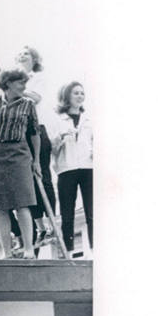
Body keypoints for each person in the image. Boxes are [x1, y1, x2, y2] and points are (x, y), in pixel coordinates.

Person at [0, 69, 41, 259]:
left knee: (22, 203)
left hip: (19, 152)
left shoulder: (28, 105)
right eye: (20, 83)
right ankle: (6, 252)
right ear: (8, 83)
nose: (24, 87)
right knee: (1, 206)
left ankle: (28, 249)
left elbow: (34, 133)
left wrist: (37, 161)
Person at [15, 44, 57, 248]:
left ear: (34, 59)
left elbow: (36, 98)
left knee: (42, 175)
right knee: (26, 181)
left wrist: (16, 88)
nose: (23, 56)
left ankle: (52, 223)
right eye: (20, 54)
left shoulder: (36, 77)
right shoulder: (14, 79)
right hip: (19, 131)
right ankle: (40, 227)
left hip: (37, 128)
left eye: (27, 54)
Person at [51, 81, 93, 257]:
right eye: (75, 93)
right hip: (66, 168)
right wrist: (61, 138)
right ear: (67, 96)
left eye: (82, 93)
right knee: (67, 213)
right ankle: (68, 252)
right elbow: (51, 149)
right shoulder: (58, 120)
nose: (80, 96)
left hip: (88, 167)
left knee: (92, 211)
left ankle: (94, 250)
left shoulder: (89, 120)